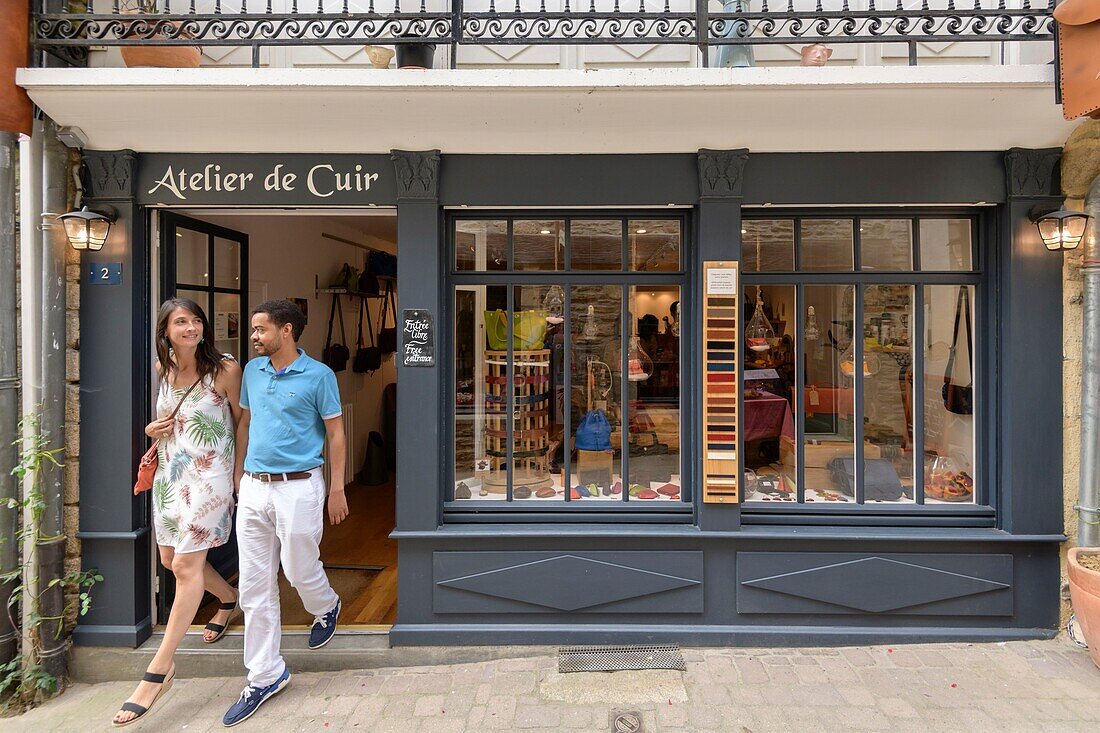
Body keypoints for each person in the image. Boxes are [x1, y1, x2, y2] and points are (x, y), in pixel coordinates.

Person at [113, 298, 243, 727]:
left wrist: (240, 472)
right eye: (180, 322)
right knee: (170, 561)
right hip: (171, 477)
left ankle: (159, 670)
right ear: (166, 331)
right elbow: (168, 422)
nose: (191, 327)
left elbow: (242, 420)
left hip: (210, 479)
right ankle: (228, 597)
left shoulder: (224, 368)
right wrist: (152, 430)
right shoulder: (163, 370)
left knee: (186, 566)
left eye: (195, 320)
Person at [222, 299, 349, 727]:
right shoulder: (254, 372)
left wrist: (336, 489)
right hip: (256, 488)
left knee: (297, 568)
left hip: (300, 486)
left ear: (287, 330)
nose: (253, 336)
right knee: (254, 586)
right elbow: (245, 423)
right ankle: (265, 675)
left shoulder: (319, 375)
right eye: (254, 330)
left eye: (260, 329)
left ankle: (326, 605)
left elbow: (336, 434)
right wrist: (239, 474)